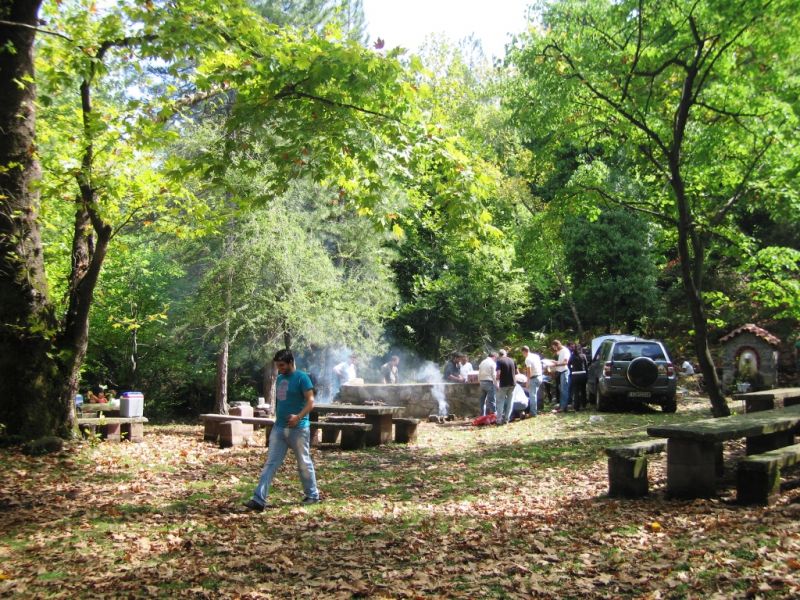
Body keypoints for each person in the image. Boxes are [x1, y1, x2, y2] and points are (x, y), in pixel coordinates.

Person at [244, 349, 320, 511]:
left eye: (282, 365)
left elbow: (311, 402)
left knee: (303, 463)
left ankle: (312, 495)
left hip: (299, 429)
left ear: (291, 362)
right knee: (270, 463)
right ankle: (258, 499)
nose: (280, 368)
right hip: (279, 428)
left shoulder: (302, 378)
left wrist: (298, 417)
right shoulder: (279, 379)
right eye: (278, 366)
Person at [495, 349, 517, 425]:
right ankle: (506, 419)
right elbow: (516, 372)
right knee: (510, 402)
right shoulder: (512, 360)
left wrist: (497, 382)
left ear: (499, 355)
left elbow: (498, 373)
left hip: (503, 384)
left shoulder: (499, 361)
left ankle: (499, 420)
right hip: (512, 383)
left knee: (500, 401)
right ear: (505, 354)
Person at [521, 346, 543, 417]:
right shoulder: (536, 356)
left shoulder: (527, 359)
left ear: (524, 351)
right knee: (536, 395)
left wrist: (527, 381)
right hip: (539, 376)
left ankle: (533, 413)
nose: (523, 355)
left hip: (533, 378)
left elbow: (529, 371)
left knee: (532, 396)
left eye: (522, 353)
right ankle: (537, 409)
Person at [551, 340, 571, 413]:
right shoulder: (561, 351)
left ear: (558, 345)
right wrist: (553, 362)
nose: (555, 349)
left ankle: (563, 407)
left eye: (555, 347)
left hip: (564, 372)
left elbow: (565, 362)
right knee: (561, 390)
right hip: (560, 372)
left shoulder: (565, 351)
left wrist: (556, 364)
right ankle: (562, 405)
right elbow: (560, 362)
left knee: (564, 390)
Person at [568, 342, 588, 411]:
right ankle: (584, 405)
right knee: (583, 390)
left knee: (576, 391)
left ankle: (576, 407)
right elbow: (586, 366)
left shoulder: (572, 356)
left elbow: (568, 365)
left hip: (575, 375)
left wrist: (571, 371)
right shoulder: (583, 356)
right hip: (583, 374)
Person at [477, 351, 498, 416]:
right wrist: (496, 384)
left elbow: (479, 373)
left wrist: (479, 381)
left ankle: (481, 415)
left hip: (482, 382)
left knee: (482, 400)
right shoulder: (492, 363)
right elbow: (494, 375)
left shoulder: (482, 362)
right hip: (489, 382)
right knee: (491, 400)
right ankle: (493, 415)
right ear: (494, 357)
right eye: (496, 358)